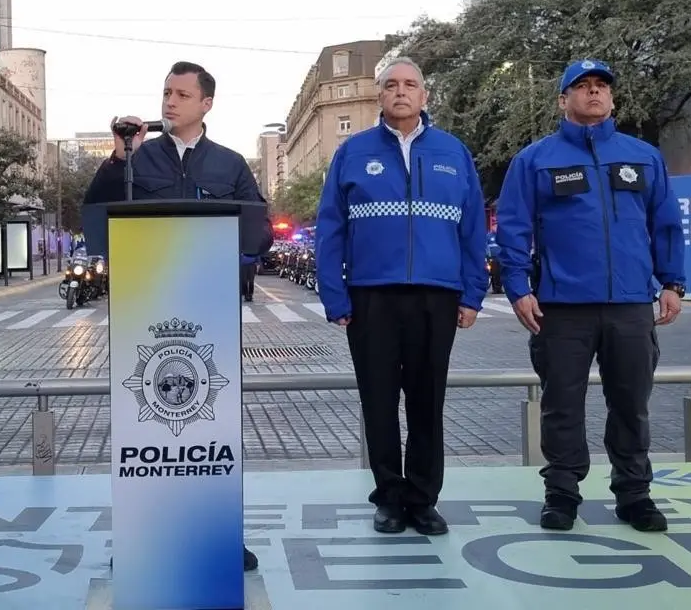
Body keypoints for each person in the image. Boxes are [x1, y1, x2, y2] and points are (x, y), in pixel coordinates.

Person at [84, 60, 273, 572]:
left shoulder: (230, 165)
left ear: (206, 103)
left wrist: (232, 264)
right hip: (144, 308)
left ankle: (217, 538)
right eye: (166, 92)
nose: (170, 102)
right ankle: (143, 539)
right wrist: (117, 156)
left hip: (208, 313)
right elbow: (95, 213)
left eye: (182, 94)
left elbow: (258, 234)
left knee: (208, 426)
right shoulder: (136, 161)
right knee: (146, 430)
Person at [496, 58, 685, 533]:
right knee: (562, 404)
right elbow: (514, 229)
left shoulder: (643, 156)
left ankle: (635, 495)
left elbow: (665, 224)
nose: (594, 93)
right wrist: (518, 288)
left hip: (630, 306)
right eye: (582, 87)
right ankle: (561, 495)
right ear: (564, 100)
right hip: (561, 309)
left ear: (613, 98)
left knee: (631, 403)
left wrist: (673, 283)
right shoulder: (534, 160)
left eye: (602, 86)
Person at [315, 57, 489, 537]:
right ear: (379, 95)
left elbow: (474, 230)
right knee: (378, 400)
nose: (400, 92)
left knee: (427, 401)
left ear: (424, 95)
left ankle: (423, 498)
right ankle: (390, 497)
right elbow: (331, 228)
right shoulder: (352, 152)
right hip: (373, 296)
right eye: (391, 84)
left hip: (437, 296)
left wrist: (473, 294)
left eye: (410, 84)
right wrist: (336, 296)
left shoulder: (454, 153)